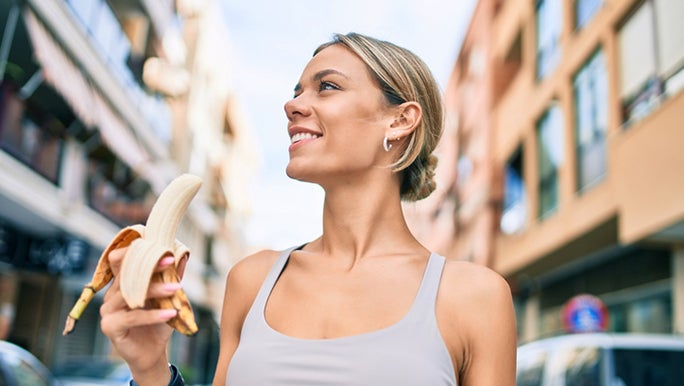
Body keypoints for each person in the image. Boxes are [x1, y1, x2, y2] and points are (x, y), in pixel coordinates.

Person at [99, 32, 517, 386]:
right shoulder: (252, 280)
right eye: (296, 91)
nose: (292, 105)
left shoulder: (474, 297)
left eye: (328, 86)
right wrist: (151, 368)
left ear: (400, 121)